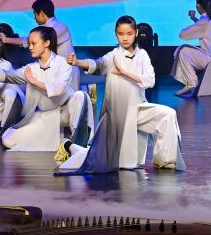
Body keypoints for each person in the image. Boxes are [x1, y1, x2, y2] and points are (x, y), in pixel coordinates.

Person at [56, 16, 185, 174]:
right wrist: (77, 62)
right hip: (117, 116)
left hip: (138, 109)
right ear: (116, 34)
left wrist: (125, 73)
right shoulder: (113, 56)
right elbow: (97, 64)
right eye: (120, 34)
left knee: (168, 114)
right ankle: (68, 145)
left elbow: (150, 81)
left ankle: (165, 160)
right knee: (95, 157)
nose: (125, 38)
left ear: (136, 33)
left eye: (129, 34)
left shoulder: (142, 55)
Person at [0, 25, 93, 152]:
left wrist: (34, 81)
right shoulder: (31, 68)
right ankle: (63, 141)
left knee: (80, 96)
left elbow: (58, 89)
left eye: (33, 43)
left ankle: (79, 144)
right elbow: (8, 76)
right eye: (29, 44)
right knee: (8, 139)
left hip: (66, 111)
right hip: (46, 115)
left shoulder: (63, 63)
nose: (30, 47)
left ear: (47, 43)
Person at [0, 0, 80, 90]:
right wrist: (6, 40)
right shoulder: (48, 29)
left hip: (68, 73)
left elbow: (29, 41)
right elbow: (28, 40)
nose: (34, 18)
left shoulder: (60, 27)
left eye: (35, 14)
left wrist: (6, 39)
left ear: (42, 14)